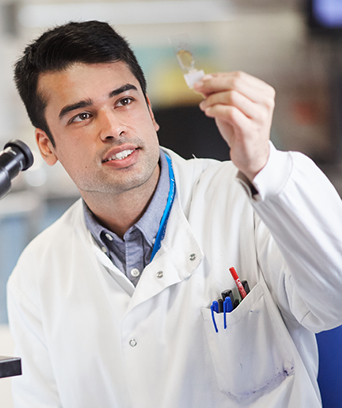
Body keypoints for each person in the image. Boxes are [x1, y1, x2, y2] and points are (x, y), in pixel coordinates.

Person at [7, 20, 342, 408]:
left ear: (150, 113)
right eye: (82, 115)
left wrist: (267, 167)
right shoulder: (36, 273)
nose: (113, 127)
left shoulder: (245, 202)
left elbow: (334, 299)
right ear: (46, 146)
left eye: (124, 101)